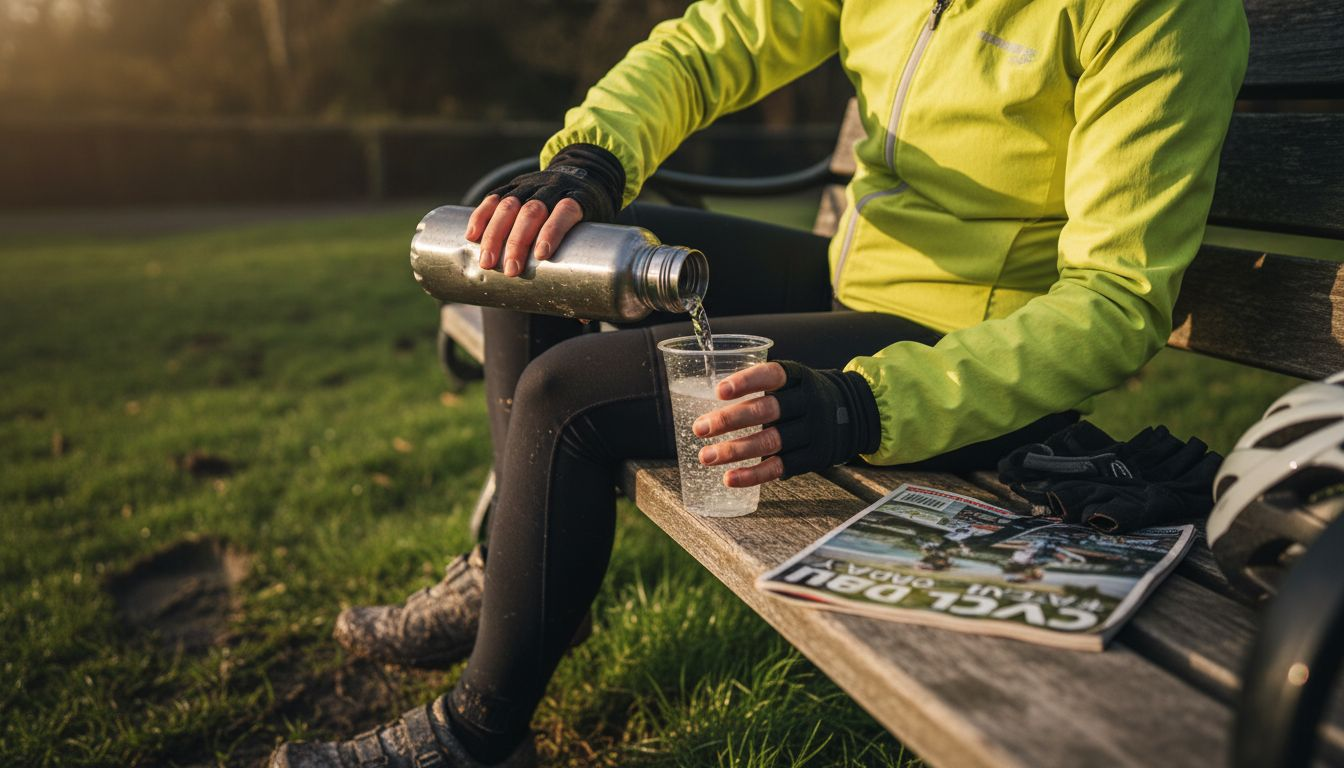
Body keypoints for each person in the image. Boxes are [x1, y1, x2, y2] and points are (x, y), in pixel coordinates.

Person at [270, 0, 1248, 764]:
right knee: (534, 255)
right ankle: (513, 583)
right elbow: (711, 44)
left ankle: (481, 733)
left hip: (959, 343)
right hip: (851, 276)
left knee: (568, 399)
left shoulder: (1163, 14)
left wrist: (863, 404)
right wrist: (589, 163)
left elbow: (1117, 300)